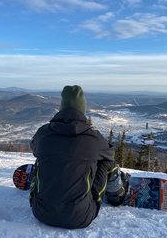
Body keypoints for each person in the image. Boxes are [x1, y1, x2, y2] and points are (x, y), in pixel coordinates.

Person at [29, 85, 129, 229]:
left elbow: (34, 148)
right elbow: (110, 155)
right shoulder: (93, 138)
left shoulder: (44, 133)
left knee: (42, 158)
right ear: (82, 109)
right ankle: (116, 194)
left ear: (61, 108)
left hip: (40, 212)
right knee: (108, 163)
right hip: (80, 217)